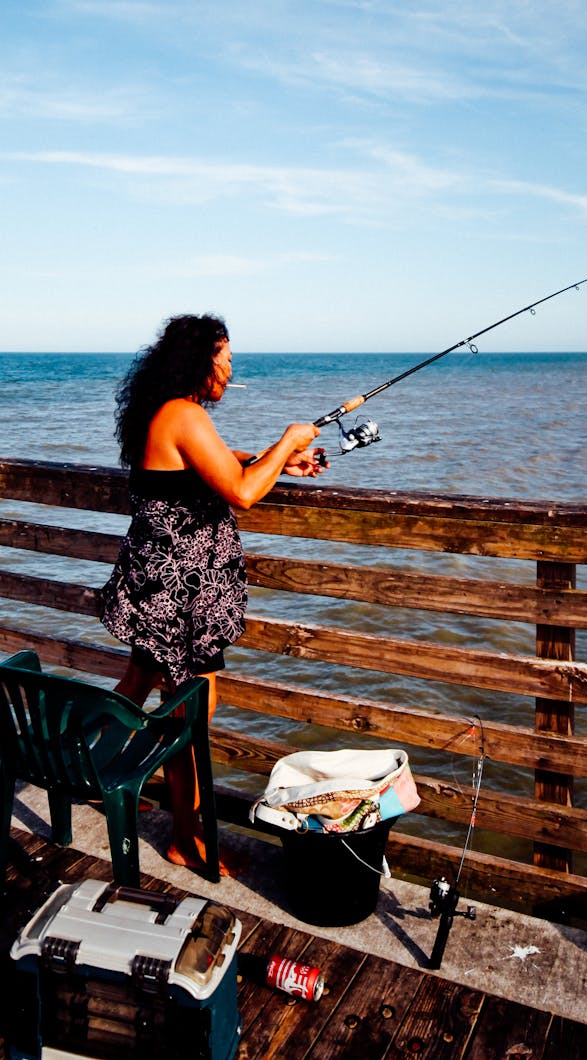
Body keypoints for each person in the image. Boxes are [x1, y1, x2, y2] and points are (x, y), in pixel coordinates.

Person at [100, 313, 324, 875]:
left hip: (158, 585)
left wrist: (279, 462)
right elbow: (242, 492)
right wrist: (288, 441)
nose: (230, 367)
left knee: (137, 690)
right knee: (191, 719)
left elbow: (215, 466)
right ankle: (185, 837)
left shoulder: (167, 411)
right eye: (224, 356)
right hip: (182, 599)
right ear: (198, 361)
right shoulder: (184, 412)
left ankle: (85, 771)